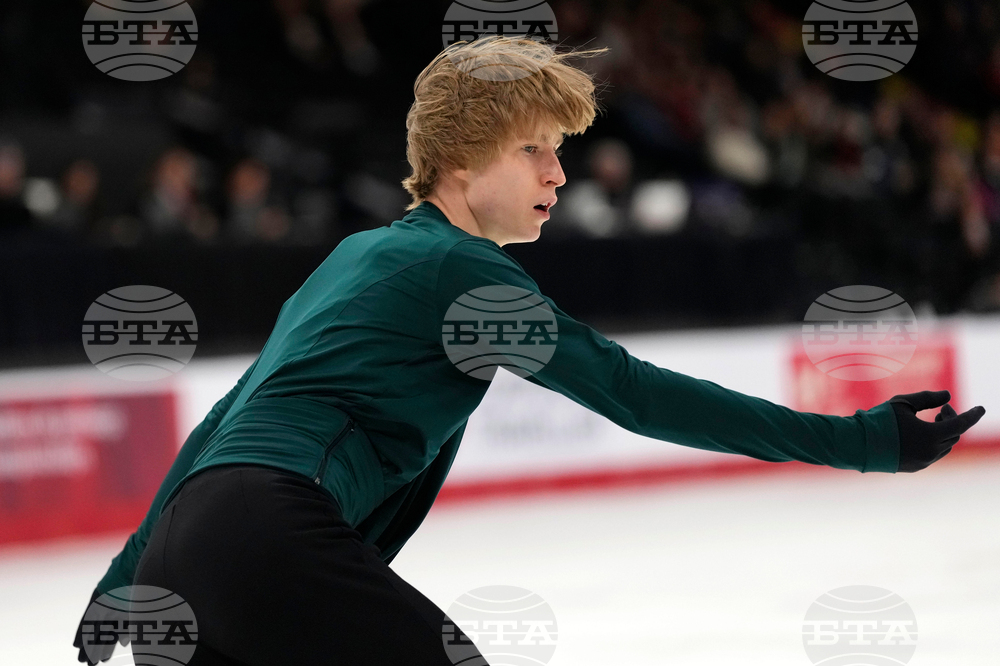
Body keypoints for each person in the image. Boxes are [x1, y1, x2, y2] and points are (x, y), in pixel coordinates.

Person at [74, 36, 986, 666]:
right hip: (266, 538)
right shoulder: (460, 274)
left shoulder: (360, 252)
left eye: (561, 153)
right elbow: (633, 392)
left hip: (188, 557)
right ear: (464, 162)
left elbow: (223, 423)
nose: (558, 173)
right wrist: (860, 442)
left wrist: (126, 582)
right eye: (536, 152)